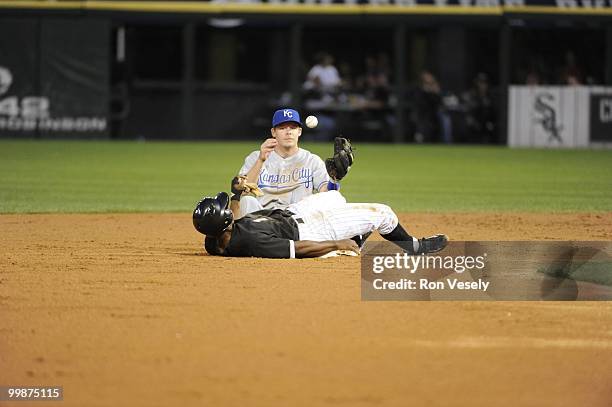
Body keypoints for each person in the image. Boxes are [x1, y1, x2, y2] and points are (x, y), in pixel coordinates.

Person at [193, 190, 448, 259]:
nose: (228, 208)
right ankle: (413, 247)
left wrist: (236, 194)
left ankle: (356, 236)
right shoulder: (250, 241)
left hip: (291, 213)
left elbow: (233, 219)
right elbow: (297, 249)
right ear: (223, 222)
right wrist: (336, 242)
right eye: (224, 208)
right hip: (308, 230)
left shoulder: (215, 238)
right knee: (383, 213)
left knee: (335, 196)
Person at [235, 108, 343, 218]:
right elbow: (241, 192)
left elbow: (327, 194)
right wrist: (260, 160)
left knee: (337, 199)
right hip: (262, 220)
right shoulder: (255, 157)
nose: (288, 132)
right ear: (273, 132)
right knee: (247, 201)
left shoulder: (312, 161)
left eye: (293, 127)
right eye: (282, 128)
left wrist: (334, 179)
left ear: (299, 131)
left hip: (297, 220)